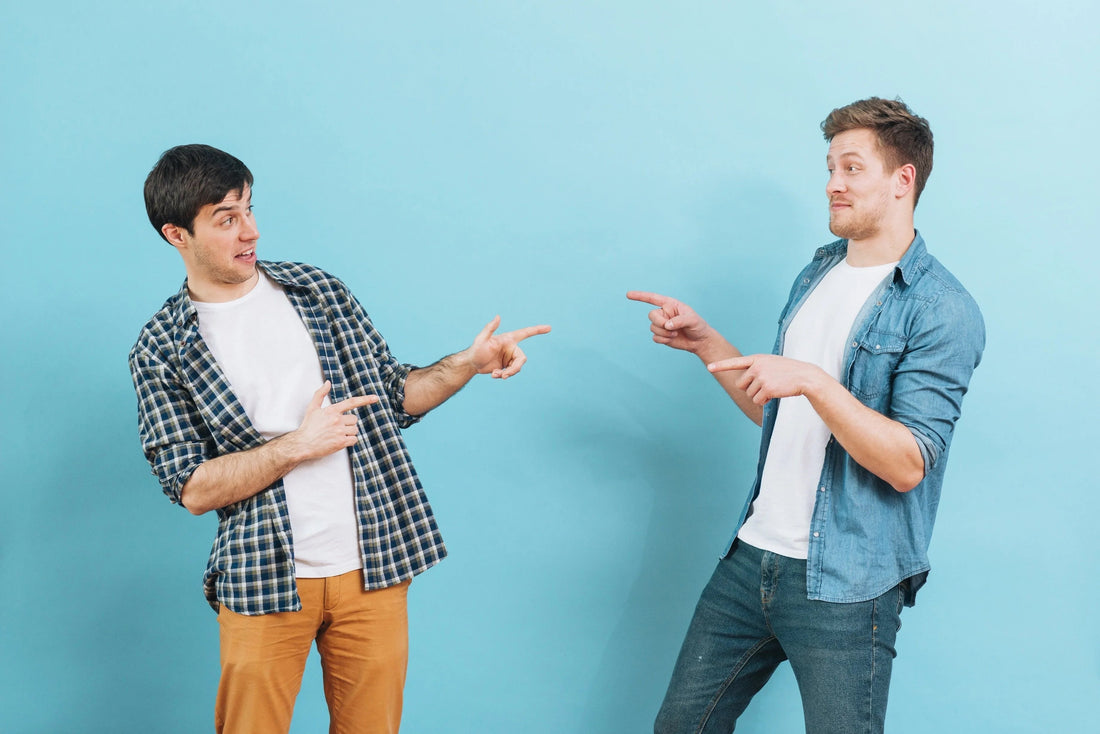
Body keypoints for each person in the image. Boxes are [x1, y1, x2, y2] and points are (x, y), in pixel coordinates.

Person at [129, 144, 550, 734]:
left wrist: (468, 363)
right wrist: (297, 446)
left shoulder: (318, 293)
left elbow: (395, 394)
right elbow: (193, 487)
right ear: (178, 234)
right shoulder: (161, 347)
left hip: (373, 564)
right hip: (261, 574)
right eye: (226, 219)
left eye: (249, 209)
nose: (249, 231)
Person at [629, 97, 984, 733]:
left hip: (847, 585)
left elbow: (908, 465)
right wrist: (708, 343)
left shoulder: (940, 308)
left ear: (904, 180)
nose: (832, 185)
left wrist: (817, 384)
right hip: (752, 557)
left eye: (851, 168)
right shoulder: (818, 273)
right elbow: (780, 415)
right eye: (829, 168)